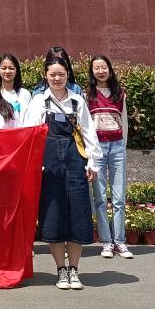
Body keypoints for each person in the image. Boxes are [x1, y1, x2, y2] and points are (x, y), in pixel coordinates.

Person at [22, 56, 101, 291]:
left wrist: (93, 164)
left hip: (75, 164)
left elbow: (89, 134)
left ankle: (74, 269)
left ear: (68, 75)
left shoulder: (77, 101)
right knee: (53, 216)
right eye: (52, 74)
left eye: (61, 74)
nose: (57, 78)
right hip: (49, 168)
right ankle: (61, 270)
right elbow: (30, 135)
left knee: (78, 214)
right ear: (45, 76)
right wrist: (34, 165)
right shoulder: (38, 102)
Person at [88, 54, 132, 259]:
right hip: (97, 149)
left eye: (103, 67)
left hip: (116, 148)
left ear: (110, 70)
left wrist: (122, 146)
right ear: (92, 72)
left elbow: (125, 122)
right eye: (96, 68)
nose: (100, 71)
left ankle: (120, 241)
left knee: (119, 197)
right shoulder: (87, 95)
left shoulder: (120, 94)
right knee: (99, 197)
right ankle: (106, 242)